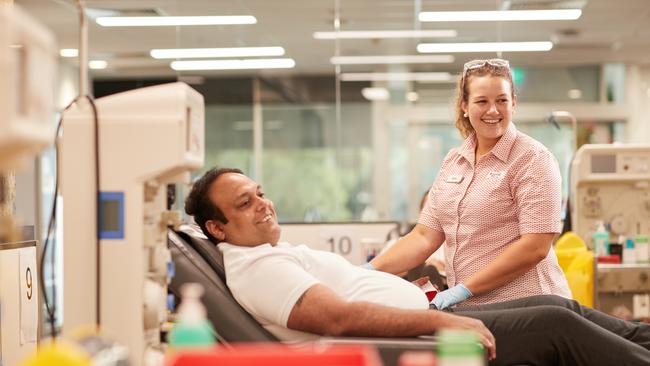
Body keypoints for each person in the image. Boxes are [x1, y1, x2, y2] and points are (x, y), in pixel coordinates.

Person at [184, 167, 650, 366]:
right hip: (417, 339)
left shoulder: (268, 254)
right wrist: (439, 318)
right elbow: (337, 319)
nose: (264, 205)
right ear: (218, 227)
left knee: (556, 305)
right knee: (554, 324)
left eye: (260, 192)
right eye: (245, 203)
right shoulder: (256, 269)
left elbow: (350, 291)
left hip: (424, 320)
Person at [370, 58, 571, 309]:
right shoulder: (454, 161)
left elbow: (535, 246)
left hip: (530, 307)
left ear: (513, 103)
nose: (493, 110)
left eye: (501, 100)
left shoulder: (532, 158)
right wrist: (367, 271)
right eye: (482, 101)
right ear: (464, 105)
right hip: (475, 310)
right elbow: (423, 236)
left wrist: (463, 290)